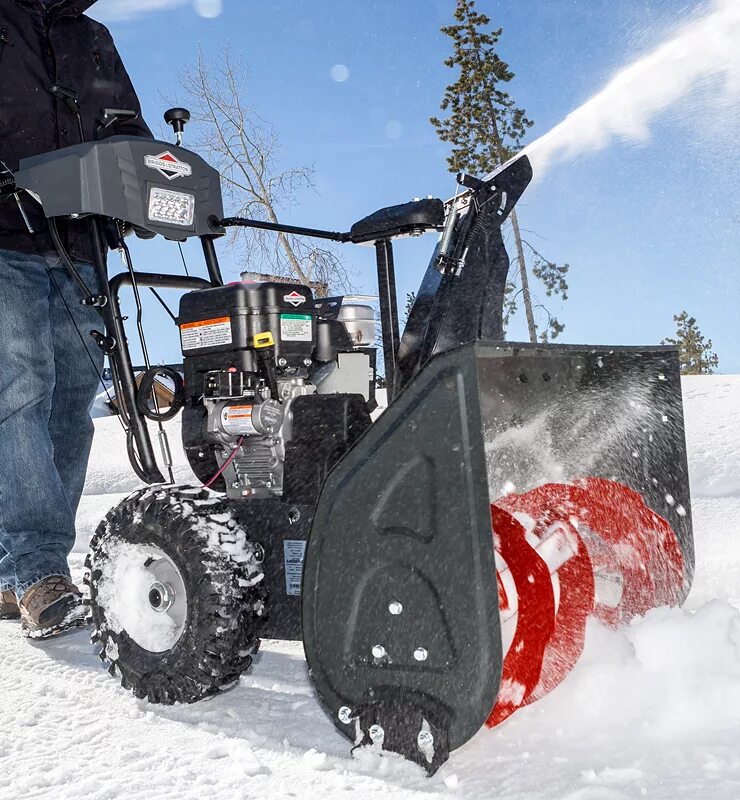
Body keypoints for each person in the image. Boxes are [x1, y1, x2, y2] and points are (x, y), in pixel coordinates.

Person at [0, 0, 151, 638]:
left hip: (81, 243)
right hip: (4, 236)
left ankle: (19, 574)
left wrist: (148, 187)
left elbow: (128, 131)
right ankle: (36, 569)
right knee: (19, 390)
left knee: (70, 404)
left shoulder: (92, 37)